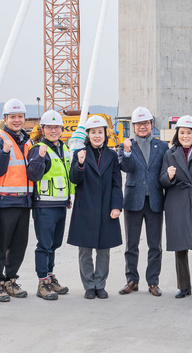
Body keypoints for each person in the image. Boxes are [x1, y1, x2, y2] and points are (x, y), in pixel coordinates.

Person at [67, 115, 123, 299]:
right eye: (93, 132)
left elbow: (116, 183)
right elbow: (74, 179)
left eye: (100, 132)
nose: (97, 136)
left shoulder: (112, 155)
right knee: (85, 250)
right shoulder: (80, 154)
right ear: (88, 135)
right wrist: (80, 164)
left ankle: (100, 284)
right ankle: (89, 285)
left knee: (103, 249)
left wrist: (116, 206)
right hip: (85, 207)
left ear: (105, 134)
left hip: (106, 206)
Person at [159, 115, 192, 300]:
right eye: (182, 132)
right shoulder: (169, 154)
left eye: (189, 132)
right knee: (180, 245)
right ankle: (183, 286)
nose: (185, 136)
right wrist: (169, 176)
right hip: (177, 201)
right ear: (177, 134)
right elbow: (162, 182)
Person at [117, 106, 168, 297]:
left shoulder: (162, 147)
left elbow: (164, 172)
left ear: (151, 124)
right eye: (138, 124)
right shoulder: (126, 145)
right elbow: (125, 167)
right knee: (131, 244)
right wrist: (128, 152)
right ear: (133, 126)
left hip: (154, 200)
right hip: (133, 200)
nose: (142, 127)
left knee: (155, 244)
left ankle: (153, 282)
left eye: (145, 123)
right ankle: (132, 280)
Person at [0, 99, 32, 302]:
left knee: (19, 245)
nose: (16, 120)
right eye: (12, 117)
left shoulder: (28, 141)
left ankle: (10, 280)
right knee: (1, 245)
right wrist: (5, 151)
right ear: (5, 119)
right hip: (4, 201)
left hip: (24, 201)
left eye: (20, 116)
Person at [27, 110, 73, 301]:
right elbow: (34, 175)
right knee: (44, 245)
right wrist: (39, 157)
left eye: (57, 127)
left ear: (62, 129)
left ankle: (50, 277)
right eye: (50, 127)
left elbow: (65, 174)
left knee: (54, 244)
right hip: (44, 205)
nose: (54, 131)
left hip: (60, 204)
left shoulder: (63, 148)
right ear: (43, 129)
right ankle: (42, 282)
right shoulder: (38, 148)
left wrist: (68, 197)